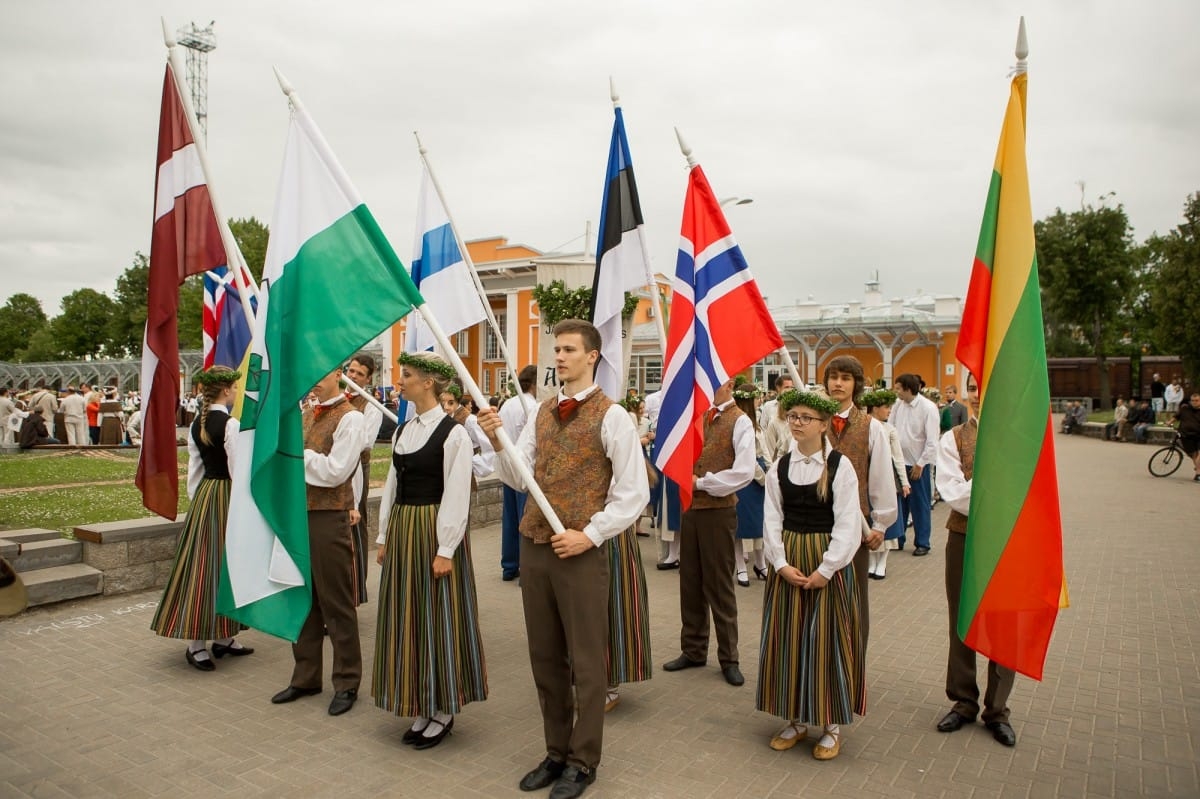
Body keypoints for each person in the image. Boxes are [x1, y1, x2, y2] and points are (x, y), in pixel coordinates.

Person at [478, 318, 647, 799]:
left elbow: (632, 494)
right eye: (557, 350)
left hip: (579, 553)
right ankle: (555, 751)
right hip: (535, 548)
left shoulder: (612, 416)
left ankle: (583, 760)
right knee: (545, 656)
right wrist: (497, 440)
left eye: (570, 349)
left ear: (592, 356)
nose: (560, 357)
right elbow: (518, 477)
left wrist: (589, 535)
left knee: (588, 662)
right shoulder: (542, 412)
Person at [373, 351, 486, 750]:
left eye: (405, 376)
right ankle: (421, 700)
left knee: (437, 616)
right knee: (408, 616)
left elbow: (457, 493)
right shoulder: (404, 430)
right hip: (405, 528)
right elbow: (392, 485)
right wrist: (384, 535)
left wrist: (446, 548)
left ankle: (443, 708)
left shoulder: (453, 434)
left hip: (433, 528)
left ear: (428, 383)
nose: (398, 382)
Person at [757, 389, 864, 759]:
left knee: (826, 640)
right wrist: (780, 563)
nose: (798, 423)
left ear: (823, 424)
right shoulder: (780, 467)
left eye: (806, 418)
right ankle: (795, 718)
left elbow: (848, 522)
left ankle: (830, 725)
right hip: (789, 560)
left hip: (825, 563)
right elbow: (771, 518)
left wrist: (827, 568)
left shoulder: (840, 466)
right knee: (789, 637)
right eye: (793, 416)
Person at [271, 367, 366, 717]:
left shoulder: (351, 417)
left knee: (336, 602)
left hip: (328, 516)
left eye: (321, 372)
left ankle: (346, 681)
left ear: (339, 374)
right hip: (299, 514)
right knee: (302, 597)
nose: (313, 378)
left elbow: (337, 470)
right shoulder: (306, 413)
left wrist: (297, 457)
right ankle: (306, 676)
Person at [150, 366, 253, 669]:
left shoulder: (198, 423)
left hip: (207, 496)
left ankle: (223, 637)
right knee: (215, 568)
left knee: (211, 565)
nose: (236, 393)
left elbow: (194, 471)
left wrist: (198, 502)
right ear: (225, 390)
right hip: (226, 497)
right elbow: (237, 470)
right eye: (234, 388)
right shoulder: (230, 424)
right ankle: (196, 643)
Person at [935, 374, 1018, 747]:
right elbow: (954, 494)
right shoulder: (952, 438)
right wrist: (995, 486)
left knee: (1005, 620)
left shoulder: (1021, 436)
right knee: (962, 617)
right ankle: (963, 700)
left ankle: (997, 709)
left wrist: (986, 486)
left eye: (987, 385)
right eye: (973, 388)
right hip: (964, 536)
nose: (979, 395)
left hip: (1009, 540)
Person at [662, 376, 754, 688]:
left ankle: (730, 657)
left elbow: (743, 472)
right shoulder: (696, 416)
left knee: (719, 585)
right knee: (690, 582)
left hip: (718, 511)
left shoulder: (740, 422)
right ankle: (693, 649)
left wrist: (701, 483)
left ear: (728, 383)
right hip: (691, 509)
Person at [822, 356, 896, 660]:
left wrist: (880, 524)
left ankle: (852, 668)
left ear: (856, 384)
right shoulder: (814, 421)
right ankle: (821, 666)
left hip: (855, 526)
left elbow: (880, 477)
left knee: (853, 600)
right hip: (815, 523)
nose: (838, 383)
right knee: (820, 598)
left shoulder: (872, 428)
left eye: (846, 378)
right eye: (834, 377)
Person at [343, 352, 382, 607]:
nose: (353, 376)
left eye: (359, 374)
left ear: (368, 379)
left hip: (358, 469)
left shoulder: (371, 406)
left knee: (356, 523)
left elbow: (364, 441)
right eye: (352, 371)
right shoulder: (335, 398)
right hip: (332, 471)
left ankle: (354, 589)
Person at [888, 373, 939, 555]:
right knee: (900, 504)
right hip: (900, 464)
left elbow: (932, 440)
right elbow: (890, 428)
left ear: (908, 389)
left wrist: (921, 463)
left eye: (898, 389)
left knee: (920, 504)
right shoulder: (897, 405)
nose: (896, 392)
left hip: (918, 465)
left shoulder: (928, 408)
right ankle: (898, 539)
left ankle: (922, 543)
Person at [497, 364, 538, 581]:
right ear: (534, 383)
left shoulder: (507, 404)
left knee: (510, 518)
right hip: (525, 468)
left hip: (508, 464)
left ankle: (509, 565)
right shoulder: (531, 406)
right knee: (525, 519)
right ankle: (524, 567)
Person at [862, 390, 908, 579]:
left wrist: (904, 482)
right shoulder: (863, 426)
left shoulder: (890, 430)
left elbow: (898, 457)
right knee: (870, 519)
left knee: (888, 523)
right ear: (875, 408)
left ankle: (883, 562)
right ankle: (872, 561)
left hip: (888, 477)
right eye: (886, 407)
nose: (889, 411)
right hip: (868, 477)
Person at [732, 382, 768, 586]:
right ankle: (740, 566)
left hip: (760, 476)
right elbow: (747, 456)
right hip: (747, 477)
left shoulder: (757, 424)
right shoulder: (741, 423)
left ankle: (761, 563)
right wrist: (762, 477)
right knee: (742, 524)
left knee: (759, 523)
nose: (760, 400)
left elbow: (764, 451)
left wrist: (771, 474)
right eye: (757, 397)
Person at [760, 373, 795, 461]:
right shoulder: (768, 406)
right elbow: (763, 428)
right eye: (787, 387)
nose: (790, 390)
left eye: (792, 387)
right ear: (778, 387)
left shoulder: (796, 417)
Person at [1174, 391, 1200, 482]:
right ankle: (1198, 472)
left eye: (1197, 400)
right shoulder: (1185, 409)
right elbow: (1176, 417)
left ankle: (1198, 472)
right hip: (1187, 435)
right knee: (1194, 455)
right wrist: (1168, 422)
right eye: (1193, 400)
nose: (1194, 402)